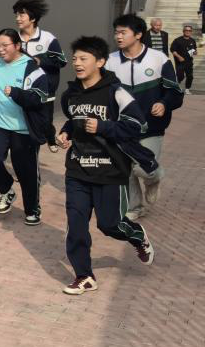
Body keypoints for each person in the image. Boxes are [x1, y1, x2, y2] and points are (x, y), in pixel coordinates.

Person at [56, 36, 155, 294]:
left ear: (100, 62)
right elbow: (73, 120)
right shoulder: (71, 95)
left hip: (110, 170)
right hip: (77, 170)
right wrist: (66, 132)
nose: (77, 63)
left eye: (84, 58)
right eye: (75, 59)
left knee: (109, 225)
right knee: (76, 225)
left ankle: (136, 235)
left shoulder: (116, 92)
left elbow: (138, 125)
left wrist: (103, 126)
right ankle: (84, 276)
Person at [0, 29, 54, 224]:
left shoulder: (33, 69)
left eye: (5, 45)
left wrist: (16, 93)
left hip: (23, 129)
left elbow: (40, 99)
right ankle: (6, 189)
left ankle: (32, 209)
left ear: (17, 46)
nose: (0, 50)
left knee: (26, 172)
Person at [109, 14, 183, 219]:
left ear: (138, 34)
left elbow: (175, 92)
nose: (118, 36)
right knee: (125, 168)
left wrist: (164, 103)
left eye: (123, 32)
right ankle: (135, 207)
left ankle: (154, 179)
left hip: (152, 126)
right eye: (116, 32)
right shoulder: (110, 61)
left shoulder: (159, 59)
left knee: (143, 168)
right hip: (122, 126)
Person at [13, 0, 66, 150]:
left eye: (21, 15)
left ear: (33, 18)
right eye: (16, 15)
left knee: (45, 121)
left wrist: (40, 60)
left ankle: (50, 137)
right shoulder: (13, 38)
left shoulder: (48, 38)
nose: (17, 18)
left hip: (44, 90)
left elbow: (61, 61)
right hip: (21, 89)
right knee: (26, 123)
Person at [171, 24, 197, 91]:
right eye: (186, 30)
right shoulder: (177, 40)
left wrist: (195, 52)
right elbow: (173, 50)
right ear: (183, 31)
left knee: (190, 76)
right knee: (180, 76)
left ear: (191, 32)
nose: (188, 32)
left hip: (189, 62)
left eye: (189, 30)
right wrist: (179, 57)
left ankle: (187, 89)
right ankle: (178, 83)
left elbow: (194, 49)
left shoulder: (192, 40)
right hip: (180, 62)